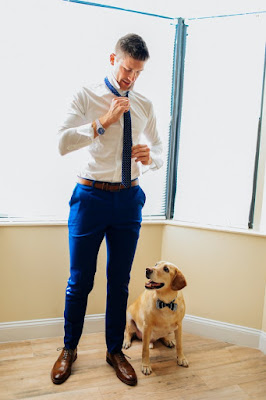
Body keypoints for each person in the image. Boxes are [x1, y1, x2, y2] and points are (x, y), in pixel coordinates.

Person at [51, 33, 163, 386]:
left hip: (129, 199)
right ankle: (69, 349)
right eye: (127, 69)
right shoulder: (85, 96)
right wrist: (103, 122)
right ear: (113, 60)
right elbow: (61, 143)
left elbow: (160, 149)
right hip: (90, 198)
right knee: (79, 281)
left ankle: (115, 350)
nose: (130, 78)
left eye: (138, 73)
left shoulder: (145, 105)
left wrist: (151, 158)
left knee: (120, 282)